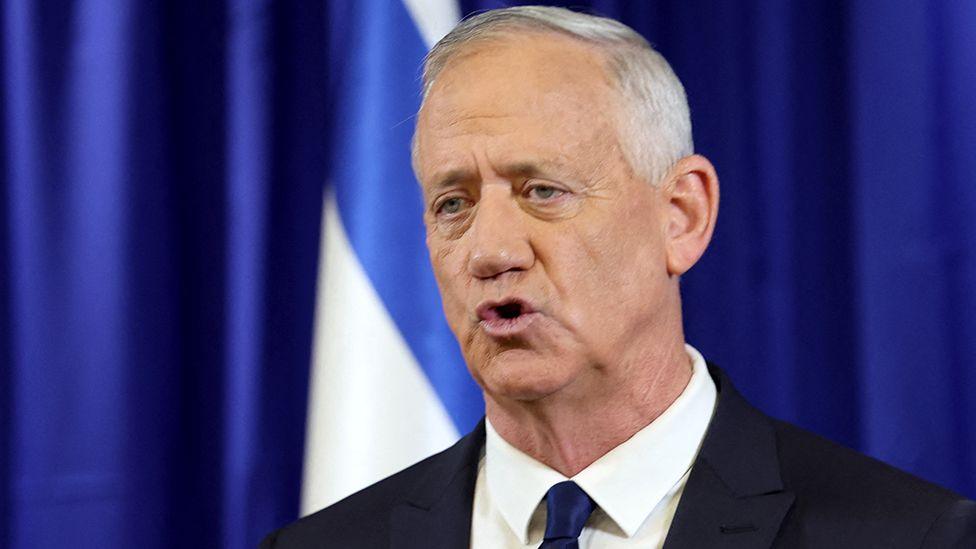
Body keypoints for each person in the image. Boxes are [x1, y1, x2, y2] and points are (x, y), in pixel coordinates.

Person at [262, 6, 976, 548]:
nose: (490, 250)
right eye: (454, 203)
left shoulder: (911, 536)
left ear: (682, 216)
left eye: (542, 190)